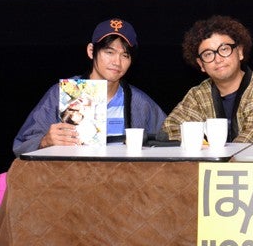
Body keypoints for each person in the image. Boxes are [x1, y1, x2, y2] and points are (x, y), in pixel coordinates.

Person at [13, 18, 166, 154]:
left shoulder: (140, 103)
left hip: (122, 176)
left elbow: (168, 140)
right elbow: (21, 145)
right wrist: (44, 141)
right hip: (72, 176)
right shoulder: (63, 93)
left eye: (125, 55)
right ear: (91, 51)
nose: (117, 62)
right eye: (109, 52)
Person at [160, 15, 253, 142]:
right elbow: (170, 130)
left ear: (240, 52)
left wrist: (202, 146)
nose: (218, 59)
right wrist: (203, 146)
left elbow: (250, 141)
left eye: (224, 49)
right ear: (201, 64)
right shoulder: (197, 95)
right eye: (208, 54)